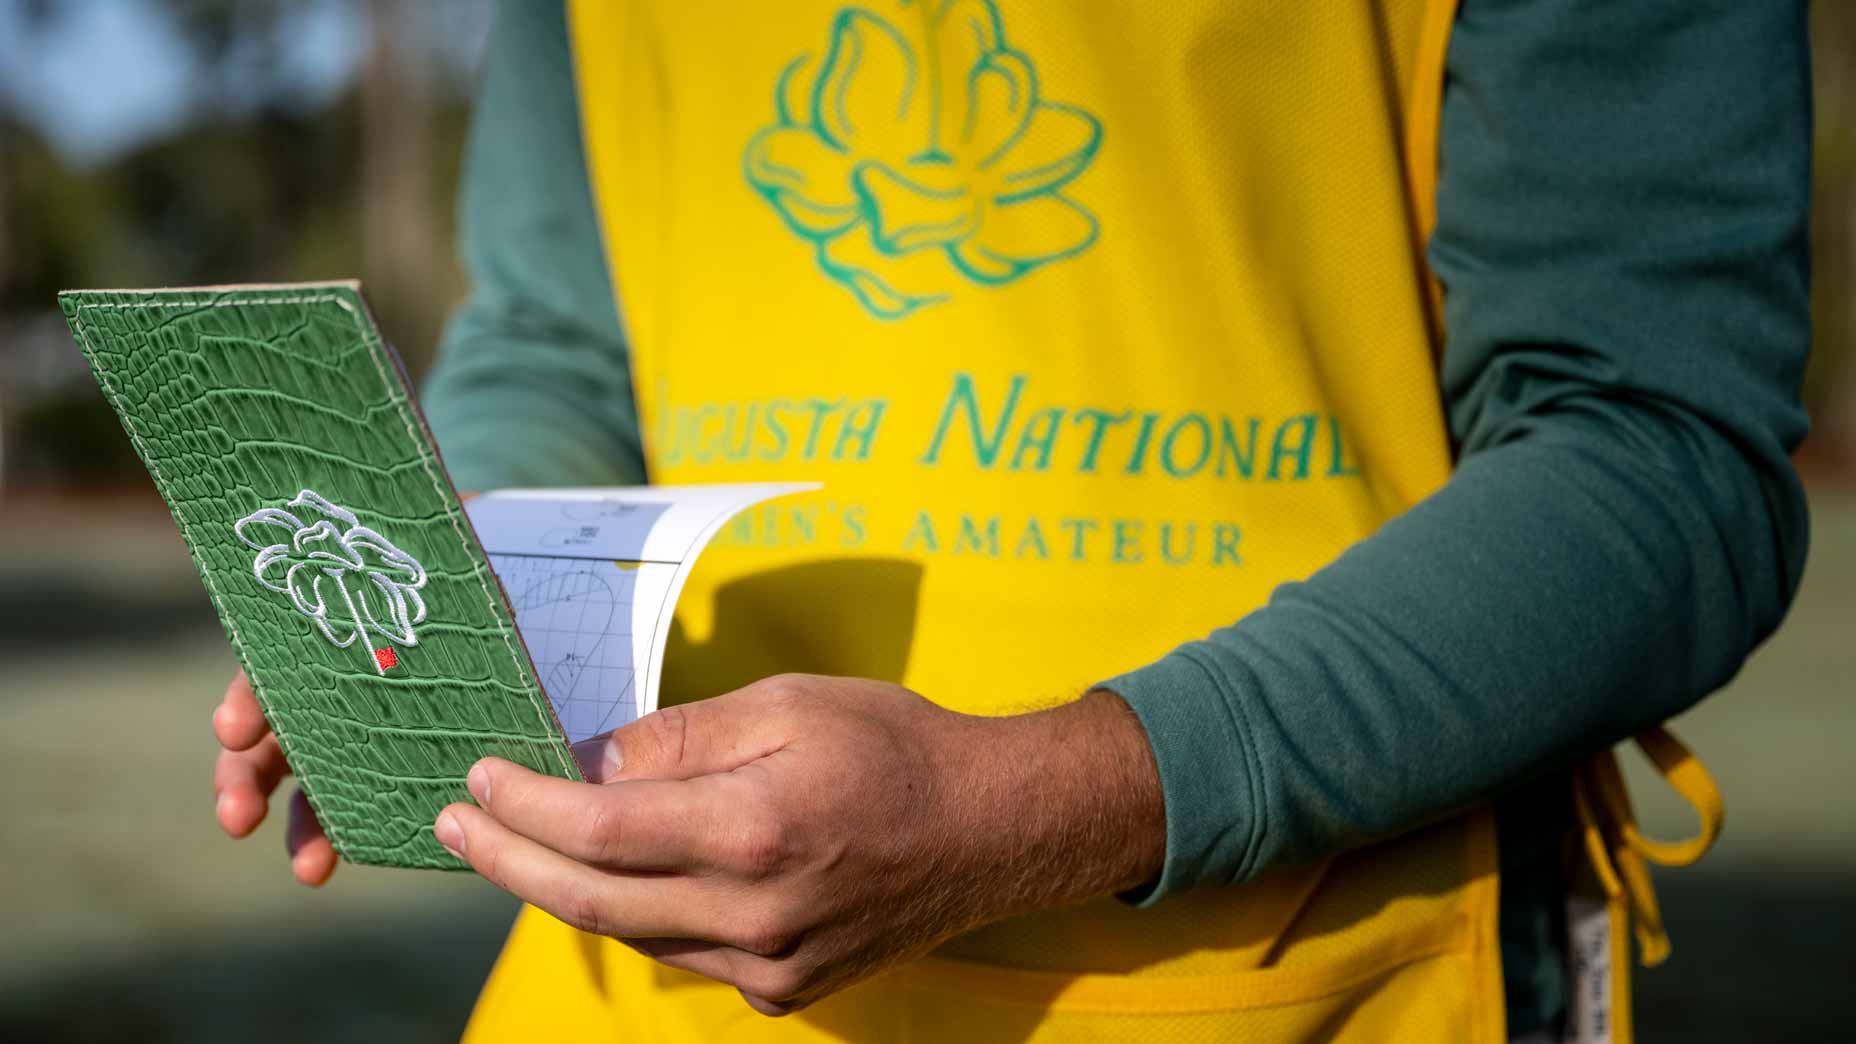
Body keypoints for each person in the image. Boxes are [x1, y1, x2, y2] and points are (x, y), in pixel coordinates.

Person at [210, 1, 1812, 1041]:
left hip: (1316, 994)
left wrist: (1050, 801)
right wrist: (455, 581)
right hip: (641, 1000)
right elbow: (562, 336)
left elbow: (1651, 445)